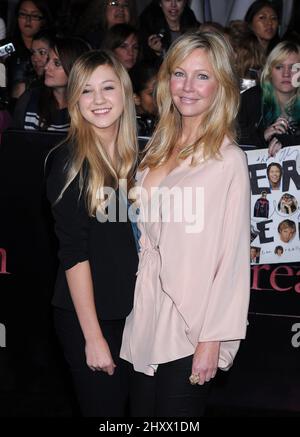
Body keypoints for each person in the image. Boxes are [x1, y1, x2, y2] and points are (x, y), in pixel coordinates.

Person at [120, 31, 251, 417]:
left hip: (191, 326)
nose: (188, 87)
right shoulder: (155, 148)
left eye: (202, 76)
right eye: (179, 74)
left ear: (222, 87)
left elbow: (232, 261)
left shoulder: (228, 161)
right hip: (144, 313)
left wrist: (213, 340)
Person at [46, 50, 139, 416]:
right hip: (90, 318)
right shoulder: (68, 162)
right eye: (86, 91)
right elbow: (74, 254)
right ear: (74, 100)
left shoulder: (140, 158)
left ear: (125, 92)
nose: (98, 100)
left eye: (107, 87)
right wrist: (93, 337)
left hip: (136, 315)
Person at [12, 36, 89, 131]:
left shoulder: (88, 106)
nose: (46, 67)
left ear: (75, 69)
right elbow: (15, 140)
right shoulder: (29, 99)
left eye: (57, 63)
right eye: (48, 60)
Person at [238, 41, 300, 153]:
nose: (286, 74)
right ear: (269, 72)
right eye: (279, 67)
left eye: (294, 68)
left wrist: (290, 143)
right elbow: (229, 139)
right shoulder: (251, 99)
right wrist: (261, 137)